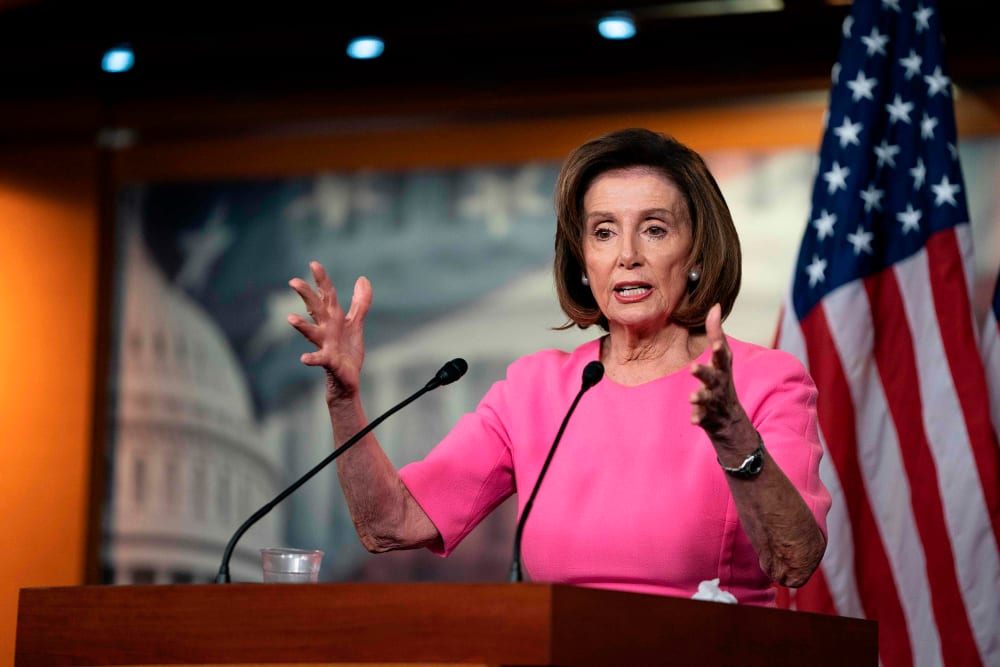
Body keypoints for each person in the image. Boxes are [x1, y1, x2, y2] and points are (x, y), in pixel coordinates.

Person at [287, 127, 830, 606]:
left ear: (698, 256)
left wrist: (734, 436)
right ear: (583, 260)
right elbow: (392, 523)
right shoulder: (537, 389)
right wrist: (343, 398)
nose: (627, 255)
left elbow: (794, 561)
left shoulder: (763, 382)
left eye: (655, 229)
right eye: (603, 231)